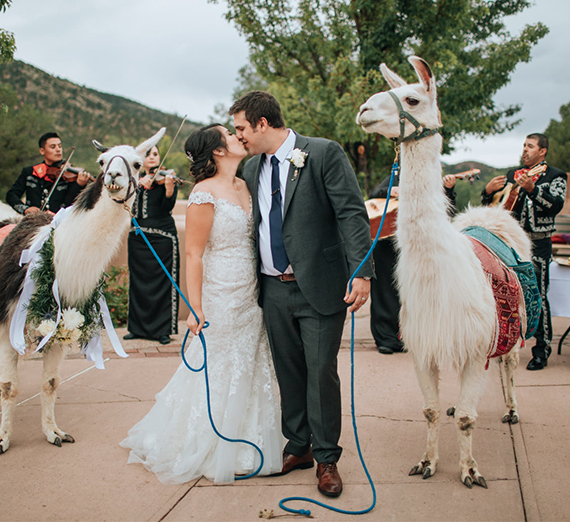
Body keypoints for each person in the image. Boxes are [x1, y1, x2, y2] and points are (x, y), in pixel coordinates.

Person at [229, 91, 374, 498]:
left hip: (321, 286)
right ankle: (298, 447)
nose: (238, 136)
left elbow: (351, 212)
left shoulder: (323, 153)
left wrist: (362, 273)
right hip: (272, 288)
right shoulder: (253, 168)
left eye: (241, 128)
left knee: (320, 372)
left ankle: (327, 458)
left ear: (261, 123)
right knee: (288, 372)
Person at [120, 124, 283, 484]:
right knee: (221, 361)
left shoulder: (245, 184)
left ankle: (252, 435)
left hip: (252, 290)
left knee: (251, 360)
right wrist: (195, 307)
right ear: (218, 151)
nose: (238, 136)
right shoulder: (203, 195)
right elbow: (193, 255)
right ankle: (206, 442)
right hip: (221, 291)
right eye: (229, 134)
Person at [482, 133, 567, 371]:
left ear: (543, 151)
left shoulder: (555, 176)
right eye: (524, 145)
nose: (525, 150)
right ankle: (503, 344)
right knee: (505, 293)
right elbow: (496, 206)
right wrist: (487, 191)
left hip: (538, 245)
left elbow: (555, 205)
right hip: (510, 244)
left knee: (538, 295)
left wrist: (533, 190)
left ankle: (541, 351)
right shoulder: (513, 175)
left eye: (530, 146)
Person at [369, 174, 457, 354]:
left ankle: (411, 338)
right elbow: (374, 194)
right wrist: (391, 191)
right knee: (385, 289)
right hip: (386, 242)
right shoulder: (396, 175)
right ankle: (386, 337)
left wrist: (448, 190)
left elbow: (447, 212)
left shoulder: (431, 179)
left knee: (416, 293)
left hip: (416, 243)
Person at [123, 146, 180, 345]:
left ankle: (163, 330)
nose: (153, 157)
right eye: (148, 154)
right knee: (138, 284)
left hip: (163, 238)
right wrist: (136, 185)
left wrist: (170, 189)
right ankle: (137, 328)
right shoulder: (132, 180)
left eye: (155, 153)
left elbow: (167, 208)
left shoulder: (167, 178)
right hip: (138, 238)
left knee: (164, 284)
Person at [6, 132, 91, 215]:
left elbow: (69, 204)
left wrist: (79, 185)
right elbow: (11, 195)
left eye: (60, 146)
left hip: (59, 224)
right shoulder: (29, 172)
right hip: (33, 223)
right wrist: (25, 209)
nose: (58, 150)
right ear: (42, 151)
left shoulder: (68, 175)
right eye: (53, 147)